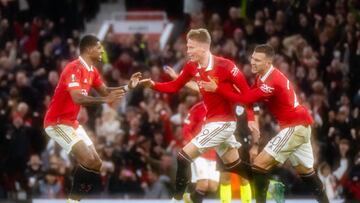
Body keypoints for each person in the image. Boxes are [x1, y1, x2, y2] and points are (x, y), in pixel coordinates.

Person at [140, 28, 259, 202]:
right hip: (211, 123)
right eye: (188, 47)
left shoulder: (227, 67)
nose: (188, 51)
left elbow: (248, 95)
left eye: (191, 47)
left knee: (183, 157)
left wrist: (251, 120)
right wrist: (152, 84)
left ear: (203, 48)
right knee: (236, 166)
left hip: (224, 124)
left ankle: (177, 199)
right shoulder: (191, 66)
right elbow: (174, 86)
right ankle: (264, 182)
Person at [200, 44, 329, 203]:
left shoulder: (272, 81)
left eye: (258, 60)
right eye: (253, 58)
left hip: (295, 126)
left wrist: (218, 89)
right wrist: (251, 117)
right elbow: (246, 94)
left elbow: (246, 99)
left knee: (259, 164)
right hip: (299, 125)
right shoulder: (261, 77)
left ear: (268, 63)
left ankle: (269, 191)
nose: (252, 62)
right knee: (306, 172)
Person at [43, 34, 141, 203]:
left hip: (72, 123)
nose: (101, 50)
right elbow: (78, 98)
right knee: (87, 159)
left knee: (96, 163)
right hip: (56, 123)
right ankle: (73, 200)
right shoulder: (73, 68)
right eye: (98, 47)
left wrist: (128, 86)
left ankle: (77, 197)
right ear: (88, 49)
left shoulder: (92, 70)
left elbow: (106, 92)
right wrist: (104, 100)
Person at [164, 66, 253, 203]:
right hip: (207, 145)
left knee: (217, 183)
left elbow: (249, 105)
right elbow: (198, 87)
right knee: (207, 182)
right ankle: (177, 199)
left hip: (224, 134)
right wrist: (179, 79)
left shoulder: (230, 93)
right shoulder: (200, 106)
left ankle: (263, 180)